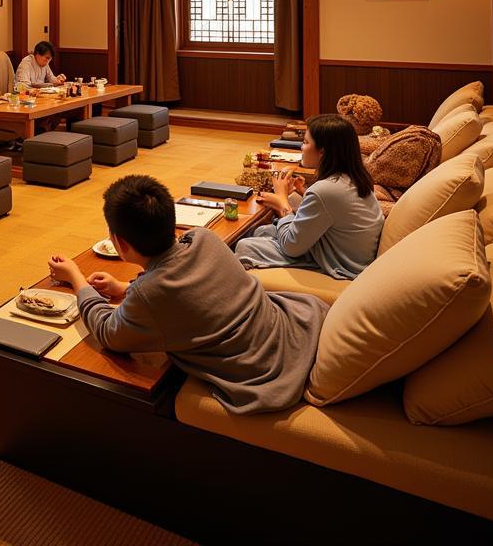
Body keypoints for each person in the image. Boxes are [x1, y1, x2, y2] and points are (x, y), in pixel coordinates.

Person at [48, 174, 328, 414]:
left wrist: (76, 278)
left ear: (119, 242)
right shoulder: (203, 238)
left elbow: (109, 333)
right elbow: (183, 287)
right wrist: (125, 289)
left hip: (266, 371)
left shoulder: (150, 293)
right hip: (292, 329)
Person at [235, 113, 384, 280]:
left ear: (322, 152)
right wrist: (303, 192)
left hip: (339, 264)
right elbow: (333, 212)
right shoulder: (356, 177)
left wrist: (281, 201)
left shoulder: (326, 190)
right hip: (350, 254)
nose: (301, 147)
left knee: (245, 246)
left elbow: (291, 246)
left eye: (305, 142)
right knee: (264, 231)